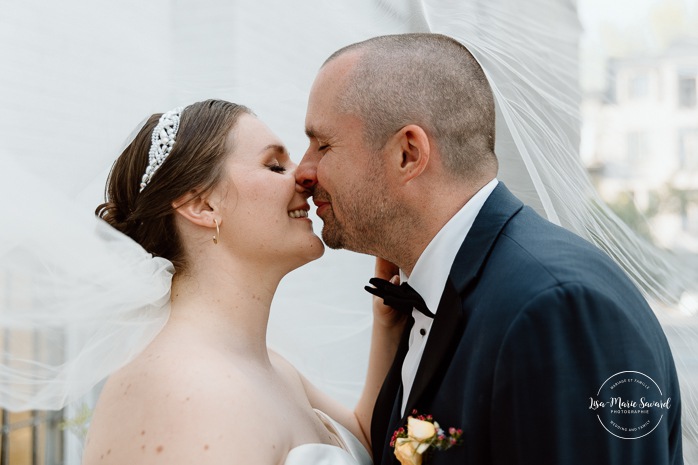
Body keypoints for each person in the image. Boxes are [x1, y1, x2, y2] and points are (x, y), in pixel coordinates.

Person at [296, 33, 684, 465]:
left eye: (323, 145)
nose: (303, 171)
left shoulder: (558, 307)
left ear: (408, 153)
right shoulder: (429, 296)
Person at [77, 99, 397, 465]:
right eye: (275, 165)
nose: (307, 179)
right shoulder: (189, 389)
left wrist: (386, 325)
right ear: (203, 206)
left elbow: (364, 446)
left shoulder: (272, 367)